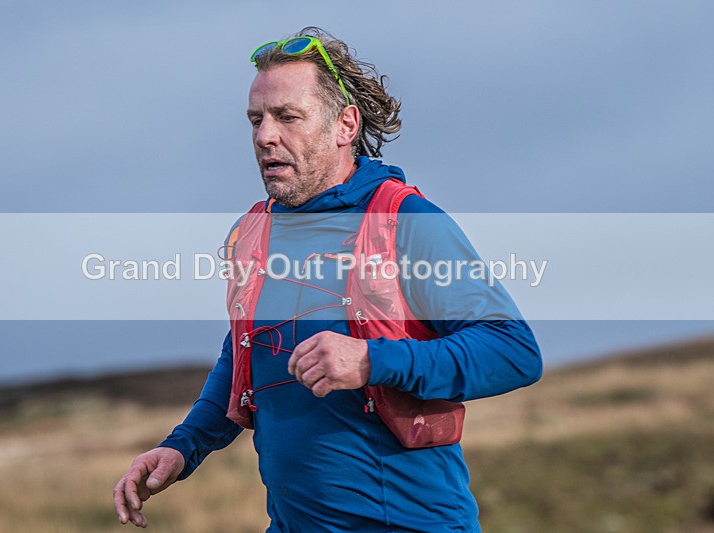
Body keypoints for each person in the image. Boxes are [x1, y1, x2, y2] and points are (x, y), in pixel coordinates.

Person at [114, 27, 542, 532]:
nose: (265, 135)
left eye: (288, 117)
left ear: (345, 124)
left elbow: (513, 351)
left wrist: (371, 360)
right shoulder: (256, 232)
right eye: (256, 119)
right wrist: (182, 446)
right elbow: (245, 357)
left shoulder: (405, 221)